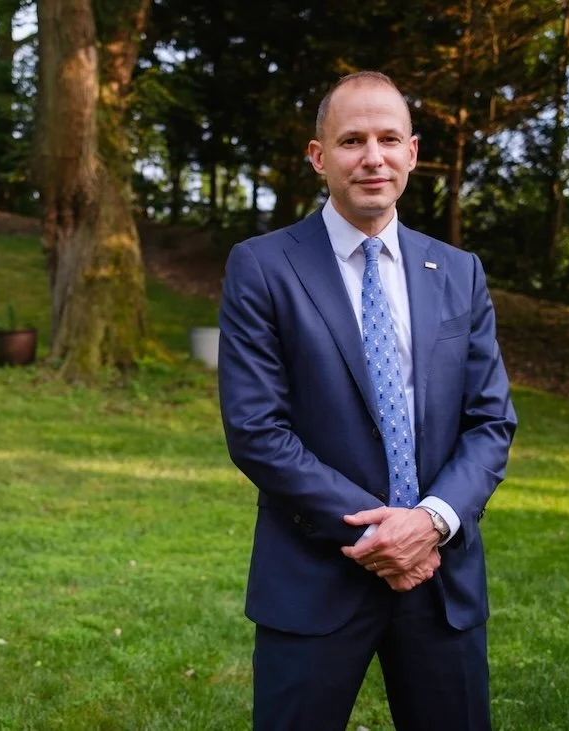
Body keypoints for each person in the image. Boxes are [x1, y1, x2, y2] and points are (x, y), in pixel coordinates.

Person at [217, 71, 518, 731]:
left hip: (441, 577)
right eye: (352, 140)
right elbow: (256, 428)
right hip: (315, 575)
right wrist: (383, 533)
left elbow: (491, 420)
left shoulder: (458, 271)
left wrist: (430, 522)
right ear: (319, 157)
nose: (372, 156)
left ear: (413, 152)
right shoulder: (263, 266)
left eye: (388, 138)